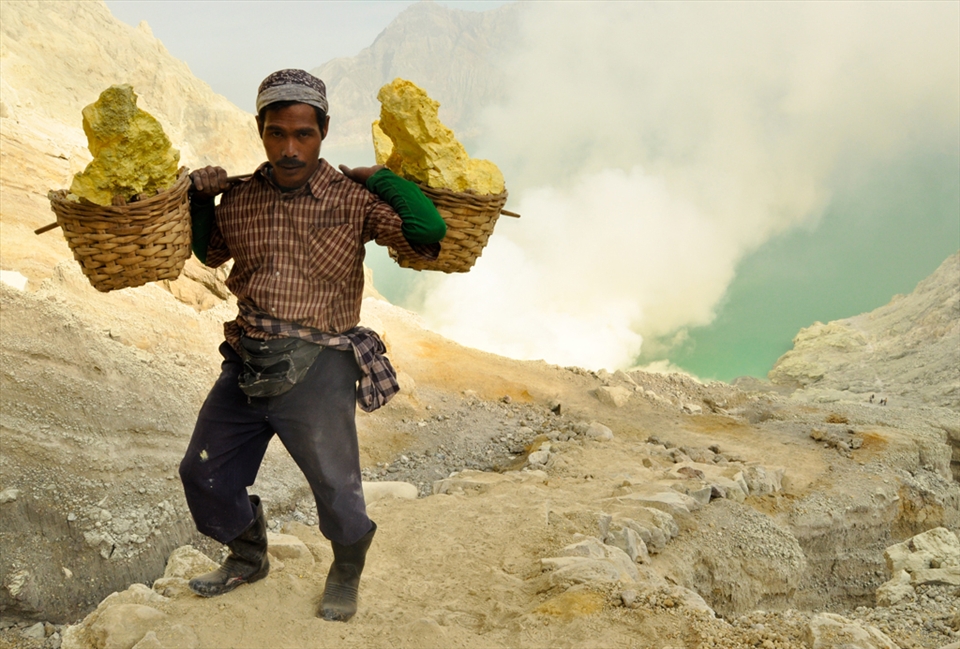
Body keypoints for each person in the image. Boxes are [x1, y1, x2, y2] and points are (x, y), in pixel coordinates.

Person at [177, 69, 446, 622]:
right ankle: (248, 556)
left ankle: (346, 573)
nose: (290, 148)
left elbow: (428, 232)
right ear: (261, 131)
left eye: (304, 134)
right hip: (249, 356)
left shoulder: (352, 200)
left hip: (320, 363)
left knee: (337, 491)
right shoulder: (245, 197)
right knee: (202, 472)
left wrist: (384, 179)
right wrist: (203, 201)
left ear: (323, 131)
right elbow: (210, 254)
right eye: (277, 133)